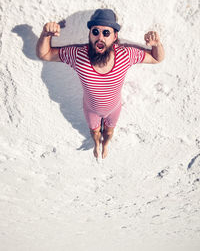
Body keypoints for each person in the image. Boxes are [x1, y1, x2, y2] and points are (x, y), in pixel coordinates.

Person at [36, 9, 165, 159]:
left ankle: (105, 145)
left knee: (109, 132)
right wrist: (45, 35)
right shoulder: (77, 56)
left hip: (114, 108)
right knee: (94, 132)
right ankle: (96, 144)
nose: (100, 37)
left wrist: (157, 44)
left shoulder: (126, 55)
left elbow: (157, 58)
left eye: (106, 33)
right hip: (90, 109)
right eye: (95, 31)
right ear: (89, 34)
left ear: (115, 36)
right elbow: (44, 54)